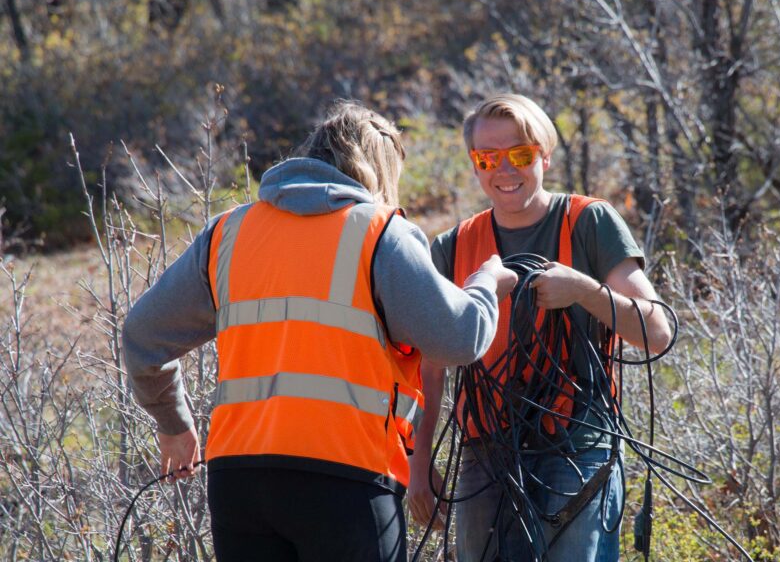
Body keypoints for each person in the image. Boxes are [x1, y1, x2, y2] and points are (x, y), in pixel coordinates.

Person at [122, 100, 517, 562]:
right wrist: (487, 283)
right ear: (379, 171)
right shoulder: (381, 232)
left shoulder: (227, 232)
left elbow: (143, 337)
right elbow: (459, 339)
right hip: (347, 480)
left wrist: (173, 425)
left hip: (240, 484)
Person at [408, 94, 673, 561]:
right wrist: (420, 460)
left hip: (579, 444)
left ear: (544, 156)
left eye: (520, 155)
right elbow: (429, 368)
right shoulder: (454, 246)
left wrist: (586, 292)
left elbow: (657, 331)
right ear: (474, 164)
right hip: (485, 453)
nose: (504, 170)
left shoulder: (589, 222)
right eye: (487, 158)